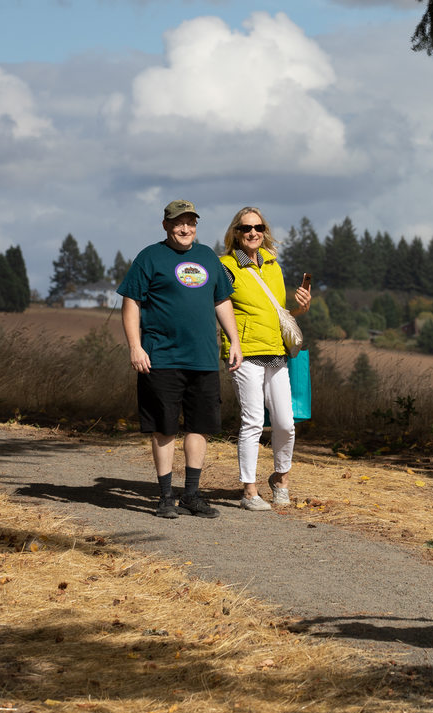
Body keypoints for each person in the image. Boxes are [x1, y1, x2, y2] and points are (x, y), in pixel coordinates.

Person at [118, 199, 243, 520]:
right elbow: (131, 303)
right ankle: (164, 497)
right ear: (166, 226)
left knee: (200, 427)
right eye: (178, 223)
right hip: (160, 357)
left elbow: (222, 300)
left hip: (202, 359)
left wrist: (234, 340)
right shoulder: (150, 257)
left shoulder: (207, 258)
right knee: (164, 428)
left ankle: (191, 495)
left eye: (190, 222)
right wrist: (135, 346)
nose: (185, 228)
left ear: (196, 226)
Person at [219, 207, 312, 511]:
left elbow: (278, 312)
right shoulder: (225, 266)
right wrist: (231, 343)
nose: (253, 232)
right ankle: (249, 491)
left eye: (258, 227)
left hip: (276, 352)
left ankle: (280, 480)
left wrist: (300, 308)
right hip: (244, 352)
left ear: (264, 230)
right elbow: (221, 308)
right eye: (246, 228)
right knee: (253, 421)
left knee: (286, 423)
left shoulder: (273, 264)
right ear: (236, 232)